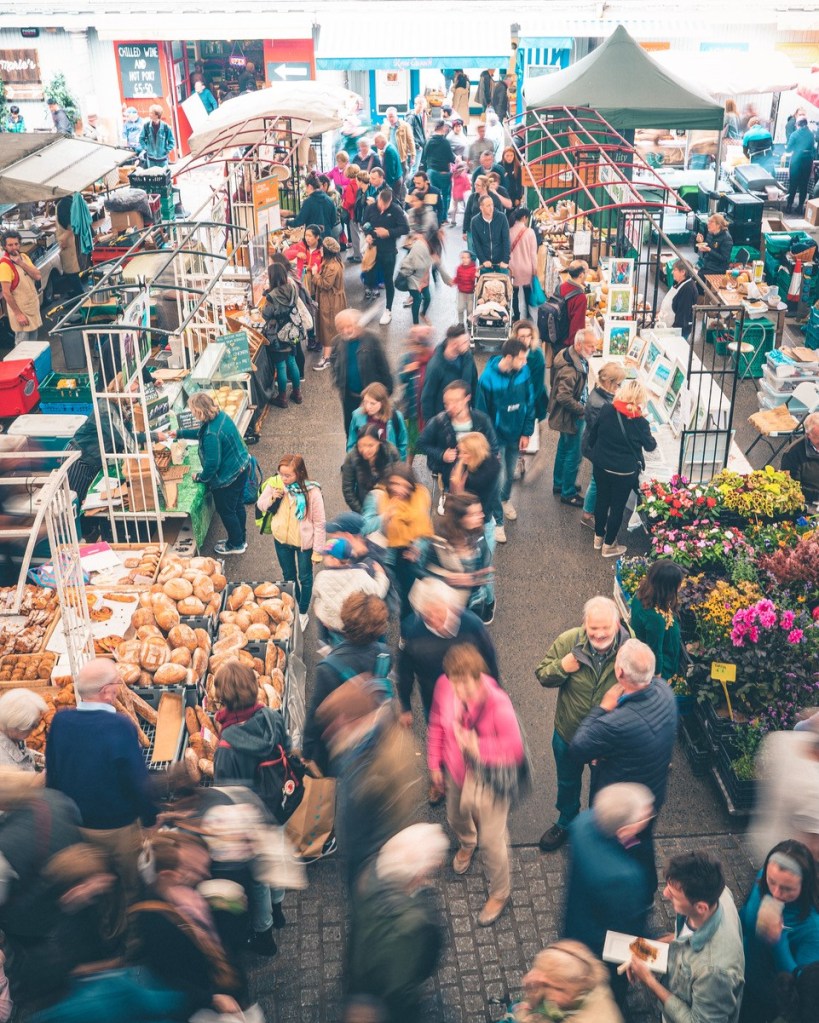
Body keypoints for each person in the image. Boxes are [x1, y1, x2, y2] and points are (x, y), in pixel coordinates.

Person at [428, 643, 525, 927]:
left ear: (479, 677)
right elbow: (436, 723)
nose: (459, 693)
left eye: (465, 688)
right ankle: (467, 842)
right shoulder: (445, 685)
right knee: (455, 816)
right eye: (455, 686)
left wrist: (478, 746)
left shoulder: (498, 703)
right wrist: (434, 762)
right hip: (457, 773)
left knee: (493, 842)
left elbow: (514, 749)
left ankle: (500, 892)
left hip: (489, 780)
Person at [45, 658, 156, 902]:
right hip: (118, 829)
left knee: (95, 889)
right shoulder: (119, 725)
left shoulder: (61, 721)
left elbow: (52, 773)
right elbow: (138, 780)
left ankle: (104, 929)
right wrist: (150, 819)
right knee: (129, 887)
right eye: (117, 683)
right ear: (107, 691)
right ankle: (129, 932)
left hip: (77, 825)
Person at [570, 638, 676, 891]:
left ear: (619, 672)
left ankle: (615, 888)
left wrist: (602, 709)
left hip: (622, 807)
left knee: (613, 846)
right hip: (652, 796)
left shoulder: (615, 723)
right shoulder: (665, 692)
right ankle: (649, 887)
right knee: (643, 842)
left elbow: (578, 747)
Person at [535, 595, 630, 852]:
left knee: (603, 789)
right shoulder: (569, 641)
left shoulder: (629, 651)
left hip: (607, 742)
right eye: (593, 628)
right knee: (567, 782)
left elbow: (641, 693)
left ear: (617, 623)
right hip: (568, 733)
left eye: (605, 628)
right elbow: (542, 674)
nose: (599, 634)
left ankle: (597, 828)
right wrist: (562, 667)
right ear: (584, 624)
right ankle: (566, 821)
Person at [212, 660, 289, 955]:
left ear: (224, 697)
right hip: (278, 805)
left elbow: (224, 794)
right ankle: (279, 909)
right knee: (277, 858)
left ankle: (264, 933)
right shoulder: (271, 716)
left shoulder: (227, 746)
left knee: (257, 879)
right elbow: (288, 744)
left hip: (250, 819)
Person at [627, 852, 745, 1023]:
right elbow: (685, 936)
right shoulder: (719, 893)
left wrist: (649, 981)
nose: (665, 893)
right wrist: (662, 943)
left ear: (701, 908)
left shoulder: (714, 973)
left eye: (674, 894)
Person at [347, 824, 447, 1023]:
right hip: (390, 1003)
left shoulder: (370, 874)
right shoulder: (413, 923)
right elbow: (402, 983)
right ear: (417, 875)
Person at [564, 784, 656, 966]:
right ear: (624, 832)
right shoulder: (624, 878)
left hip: (576, 919)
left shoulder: (582, 824)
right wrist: (651, 952)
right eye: (642, 815)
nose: (649, 812)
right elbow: (630, 927)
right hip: (600, 945)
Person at [303, 593, 390, 773]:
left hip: (339, 745)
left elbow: (316, 715)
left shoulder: (328, 668)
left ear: (345, 621)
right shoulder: (385, 654)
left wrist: (307, 752)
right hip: (373, 739)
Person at [398, 577, 499, 728]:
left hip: (473, 698)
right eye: (426, 615)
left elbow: (489, 660)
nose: (433, 618)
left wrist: (496, 694)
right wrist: (405, 706)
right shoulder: (412, 632)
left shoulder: (472, 625)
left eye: (437, 611)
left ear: (449, 605)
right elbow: (404, 672)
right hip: (435, 704)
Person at [739, 839, 819, 1023]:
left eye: (787, 889)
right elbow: (743, 917)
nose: (775, 893)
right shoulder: (762, 882)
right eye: (772, 881)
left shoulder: (812, 928)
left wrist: (778, 941)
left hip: (768, 999)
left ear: (804, 886)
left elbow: (802, 984)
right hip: (740, 975)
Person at [174, 391, 250, 556]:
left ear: (200, 412)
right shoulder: (220, 416)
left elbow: (212, 464)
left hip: (227, 479)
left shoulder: (211, 434)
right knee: (237, 506)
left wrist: (201, 477)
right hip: (241, 468)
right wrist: (180, 433)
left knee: (227, 511)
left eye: (193, 411)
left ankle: (236, 544)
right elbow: (200, 433)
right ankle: (241, 538)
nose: (192, 414)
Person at [587, 379, 656, 558]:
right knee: (617, 507)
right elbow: (650, 446)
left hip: (601, 466)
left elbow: (592, 435)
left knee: (602, 501)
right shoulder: (641, 423)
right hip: (624, 472)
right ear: (640, 400)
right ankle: (609, 545)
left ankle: (598, 538)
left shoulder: (607, 410)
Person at [256, 454, 325, 630]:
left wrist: (318, 551)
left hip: (304, 544)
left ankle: (302, 612)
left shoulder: (312, 492)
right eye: (281, 474)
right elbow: (260, 505)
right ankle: (293, 605)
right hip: (281, 540)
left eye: (288, 476)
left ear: (300, 473)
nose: (284, 479)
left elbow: (319, 522)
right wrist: (273, 498)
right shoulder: (275, 483)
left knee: (305, 577)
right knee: (288, 576)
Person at [476, 338, 534, 541]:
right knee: (497, 479)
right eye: (522, 358)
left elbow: (530, 402)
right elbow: (482, 415)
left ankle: (506, 499)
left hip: (516, 435)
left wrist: (527, 432)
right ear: (509, 357)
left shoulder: (524, 373)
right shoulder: (487, 380)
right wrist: (491, 445)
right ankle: (497, 522)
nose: (525, 362)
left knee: (509, 473)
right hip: (496, 439)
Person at [361, 463, 432, 620]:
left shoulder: (420, 497)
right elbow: (364, 527)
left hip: (409, 556)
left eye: (404, 486)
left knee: (407, 597)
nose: (399, 490)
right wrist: (384, 517)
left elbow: (426, 530)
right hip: (385, 555)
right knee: (383, 598)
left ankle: (405, 633)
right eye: (395, 484)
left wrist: (418, 547)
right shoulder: (378, 497)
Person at [749, 725, 819, 867]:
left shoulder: (780, 740)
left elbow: (761, 767)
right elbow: (815, 847)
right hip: (791, 863)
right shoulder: (813, 786)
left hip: (765, 841)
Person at [418, 493, 494, 620]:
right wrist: (449, 578)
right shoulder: (439, 543)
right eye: (474, 514)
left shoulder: (479, 536)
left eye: (480, 512)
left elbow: (482, 571)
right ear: (460, 519)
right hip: (446, 606)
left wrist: (475, 579)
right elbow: (423, 572)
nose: (482, 516)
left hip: (474, 602)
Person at [514, 941, 623, 1023]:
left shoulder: (599, 1018)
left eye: (559, 989)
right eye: (546, 985)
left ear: (581, 983)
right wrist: (533, 994)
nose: (551, 997)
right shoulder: (580, 986)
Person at [419, 378, 498, 490]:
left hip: (478, 477)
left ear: (467, 398)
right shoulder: (438, 422)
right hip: (450, 478)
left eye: (456, 401)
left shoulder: (482, 420)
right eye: (446, 403)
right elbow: (422, 443)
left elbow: (493, 448)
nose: (450, 407)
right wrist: (441, 454)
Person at [313, 540, 391, 651]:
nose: (324, 558)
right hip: (358, 628)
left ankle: (326, 647)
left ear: (334, 560)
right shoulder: (360, 575)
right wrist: (381, 574)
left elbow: (317, 597)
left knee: (341, 653)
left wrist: (321, 614)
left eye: (326, 556)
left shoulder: (321, 577)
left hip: (336, 629)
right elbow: (379, 592)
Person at [548, 328, 596, 507]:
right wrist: (582, 410)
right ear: (578, 345)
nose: (593, 350)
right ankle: (568, 492)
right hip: (571, 415)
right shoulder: (570, 369)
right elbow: (563, 396)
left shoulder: (571, 356)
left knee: (564, 447)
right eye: (590, 346)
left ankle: (559, 483)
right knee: (574, 454)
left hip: (565, 415)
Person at [578, 361, 626, 530]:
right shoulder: (601, 404)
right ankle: (587, 514)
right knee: (596, 481)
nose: (620, 387)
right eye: (618, 384)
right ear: (609, 382)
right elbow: (606, 429)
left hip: (593, 444)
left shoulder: (599, 393)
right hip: (596, 448)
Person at [331, 308, 394, 434]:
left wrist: (384, 395)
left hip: (371, 398)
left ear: (358, 324)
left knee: (373, 431)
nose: (345, 331)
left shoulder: (372, 339)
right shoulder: (337, 342)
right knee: (351, 430)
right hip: (349, 397)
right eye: (341, 328)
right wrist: (339, 383)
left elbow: (384, 368)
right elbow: (334, 365)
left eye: (349, 326)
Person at [259, 262, 305, 408]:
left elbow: (266, 315)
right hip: (292, 331)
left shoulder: (272, 296)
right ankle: (297, 394)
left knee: (281, 366)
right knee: (292, 361)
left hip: (278, 334)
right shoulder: (292, 287)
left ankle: (282, 397)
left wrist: (267, 295)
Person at [630, 560, 686, 681]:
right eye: (678, 584)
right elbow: (655, 651)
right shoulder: (656, 619)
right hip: (665, 664)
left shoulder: (642, 596)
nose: (681, 587)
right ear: (667, 587)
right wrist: (658, 678)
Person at [363, 188, 409, 326]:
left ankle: (388, 309)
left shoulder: (396, 210)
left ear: (389, 202)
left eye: (385, 205)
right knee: (370, 276)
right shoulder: (371, 208)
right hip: (373, 249)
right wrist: (368, 235)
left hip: (388, 250)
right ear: (378, 199)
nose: (382, 208)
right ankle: (372, 304)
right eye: (380, 204)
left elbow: (405, 228)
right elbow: (364, 224)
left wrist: (388, 232)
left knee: (388, 280)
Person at [421, 324, 478, 421]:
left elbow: (474, 385)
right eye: (465, 342)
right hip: (446, 419)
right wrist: (431, 426)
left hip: (464, 416)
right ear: (454, 345)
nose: (468, 344)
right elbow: (427, 398)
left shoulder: (467, 357)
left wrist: (475, 414)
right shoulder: (436, 366)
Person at [342, 425, 400, 514]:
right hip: (364, 507)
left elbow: (399, 480)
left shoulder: (390, 452)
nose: (365, 450)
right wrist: (363, 512)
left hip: (389, 507)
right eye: (361, 445)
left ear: (379, 442)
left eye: (370, 445)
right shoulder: (352, 457)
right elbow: (348, 490)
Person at [346, 381, 408, 460]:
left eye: (372, 403)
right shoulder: (357, 416)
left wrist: (399, 465)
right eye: (365, 402)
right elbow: (351, 443)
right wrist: (355, 463)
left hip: (389, 465)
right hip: (365, 464)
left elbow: (402, 443)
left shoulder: (396, 417)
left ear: (382, 403)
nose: (368, 407)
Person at [0, 228, 43, 343]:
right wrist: (18, 314)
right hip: (21, 311)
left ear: (20, 244)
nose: (14, 247)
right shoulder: (4, 265)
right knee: (22, 345)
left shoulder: (23, 257)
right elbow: (6, 293)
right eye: (10, 245)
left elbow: (38, 276)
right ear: (4, 246)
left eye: (16, 244)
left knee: (34, 343)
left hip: (32, 307)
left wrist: (21, 263)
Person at [312, 236, 347, 371]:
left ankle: (326, 358)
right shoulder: (332, 262)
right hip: (332, 299)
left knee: (328, 328)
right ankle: (335, 355)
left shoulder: (331, 266)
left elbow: (326, 284)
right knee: (332, 327)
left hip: (330, 301)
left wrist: (315, 274)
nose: (320, 249)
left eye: (322, 247)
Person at [420, 121, 456, 227]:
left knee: (433, 195)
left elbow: (424, 157)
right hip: (444, 172)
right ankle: (443, 218)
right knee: (446, 196)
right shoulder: (445, 142)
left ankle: (434, 216)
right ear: (443, 128)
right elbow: (451, 158)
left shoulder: (429, 141)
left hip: (431, 172)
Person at [0, 688, 46, 770]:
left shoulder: (14, 737)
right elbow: (16, 781)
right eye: (33, 725)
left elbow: (23, 753)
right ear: (16, 725)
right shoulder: (4, 760)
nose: (35, 729)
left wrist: (41, 759)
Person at [781, 412, 819, 503]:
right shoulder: (792, 455)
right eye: (818, 437)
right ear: (808, 435)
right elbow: (792, 487)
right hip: (810, 503)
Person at [287, 172, 337, 239]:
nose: (305, 190)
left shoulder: (308, 202)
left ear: (309, 186)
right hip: (327, 236)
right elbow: (333, 220)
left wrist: (286, 222)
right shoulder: (330, 200)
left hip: (313, 238)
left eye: (306, 187)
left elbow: (299, 221)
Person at [508, 210, 538, 320]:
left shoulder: (509, 231)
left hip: (513, 268)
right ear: (525, 218)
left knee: (514, 293)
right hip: (527, 267)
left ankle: (516, 315)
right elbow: (533, 254)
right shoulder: (530, 232)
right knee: (527, 292)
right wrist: (535, 269)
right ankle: (528, 314)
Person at [400, 230, 434, 326]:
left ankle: (423, 314)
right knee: (417, 299)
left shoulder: (425, 249)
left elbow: (428, 266)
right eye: (414, 239)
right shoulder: (411, 252)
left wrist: (425, 281)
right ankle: (416, 324)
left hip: (424, 279)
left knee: (427, 298)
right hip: (413, 279)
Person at [785, 116, 817, 216]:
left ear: (798, 124)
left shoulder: (795, 134)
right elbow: (814, 149)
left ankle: (789, 206)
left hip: (797, 161)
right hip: (808, 161)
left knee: (793, 184)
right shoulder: (811, 134)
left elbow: (788, 149)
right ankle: (800, 207)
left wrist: (787, 147)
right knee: (804, 184)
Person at [659, 260, 698, 339]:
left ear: (683, 272)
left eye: (675, 270)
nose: (672, 272)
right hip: (669, 325)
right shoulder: (679, 283)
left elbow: (683, 314)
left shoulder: (688, 289)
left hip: (678, 331)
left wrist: (674, 331)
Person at [471, 194, 510, 271]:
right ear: (481, 207)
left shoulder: (502, 218)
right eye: (488, 206)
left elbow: (506, 240)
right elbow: (476, 243)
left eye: (492, 204)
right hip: (485, 264)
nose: (491, 208)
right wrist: (483, 260)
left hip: (501, 262)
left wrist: (506, 260)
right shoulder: (475, 221)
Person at [558, 260, 589, 349]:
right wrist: (575, 347)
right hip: (566, 344)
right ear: (581, 275)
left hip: (557, 337)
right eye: (587, 271)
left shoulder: (561, 287)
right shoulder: (580, 297)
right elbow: (577, 327)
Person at [381, 106, 416, 176]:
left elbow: (410, 141)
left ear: (396, 115)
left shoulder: (405, 126)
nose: (391, 119)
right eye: (389, 117)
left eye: (392, 116)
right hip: (389, 156)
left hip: (401, 156)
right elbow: (381, 142)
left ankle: (402, 186)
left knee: (403, 175)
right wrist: (380, 155)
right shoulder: (384, 127)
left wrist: (413, 156)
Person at [373, 133, 405, 203]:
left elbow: (390, 171)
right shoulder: (390, 147)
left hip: (394, 182)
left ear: (382, 141)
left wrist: (387, 186)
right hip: (397, 178)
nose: (375, 145)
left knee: (394, 201)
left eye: (376, 142)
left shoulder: (389, 151)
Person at [451, 249, 477, 328]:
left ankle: (469, 320)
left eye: (467, 258)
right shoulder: (459, 268)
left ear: (471, 259)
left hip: (471, 293)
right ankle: (461, 322)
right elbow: (458, 278)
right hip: (461, 292)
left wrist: (476, 276)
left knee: (470, 309)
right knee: (460, 308)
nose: (465, 260)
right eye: (463, 258)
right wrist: (454, 282)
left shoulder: (474, 269)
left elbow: (474, 280)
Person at [406, 96, 428, 173]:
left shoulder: (420, 115)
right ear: (416, 104)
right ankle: (410, 184)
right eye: (420, 104)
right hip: (416, 147)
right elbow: (408, 133)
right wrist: (417, 145)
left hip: (420, 145)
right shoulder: (412, 117)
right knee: (414, 170)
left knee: (415, 168)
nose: (422, 106)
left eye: (423, 103)